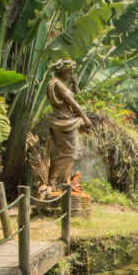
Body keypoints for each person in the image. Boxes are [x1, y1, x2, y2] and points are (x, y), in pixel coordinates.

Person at [46, 59, 92, 191]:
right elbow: (73, 103)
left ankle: (62, 182)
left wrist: (74, 85)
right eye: (69, 72)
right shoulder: (58, 85)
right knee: (67, 153)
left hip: (66, 121)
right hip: (65, 122)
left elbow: (71, 97)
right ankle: (53, 182)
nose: (70, 75)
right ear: (62, 71)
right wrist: (85, 118)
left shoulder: (58, 85)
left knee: (66, 153)